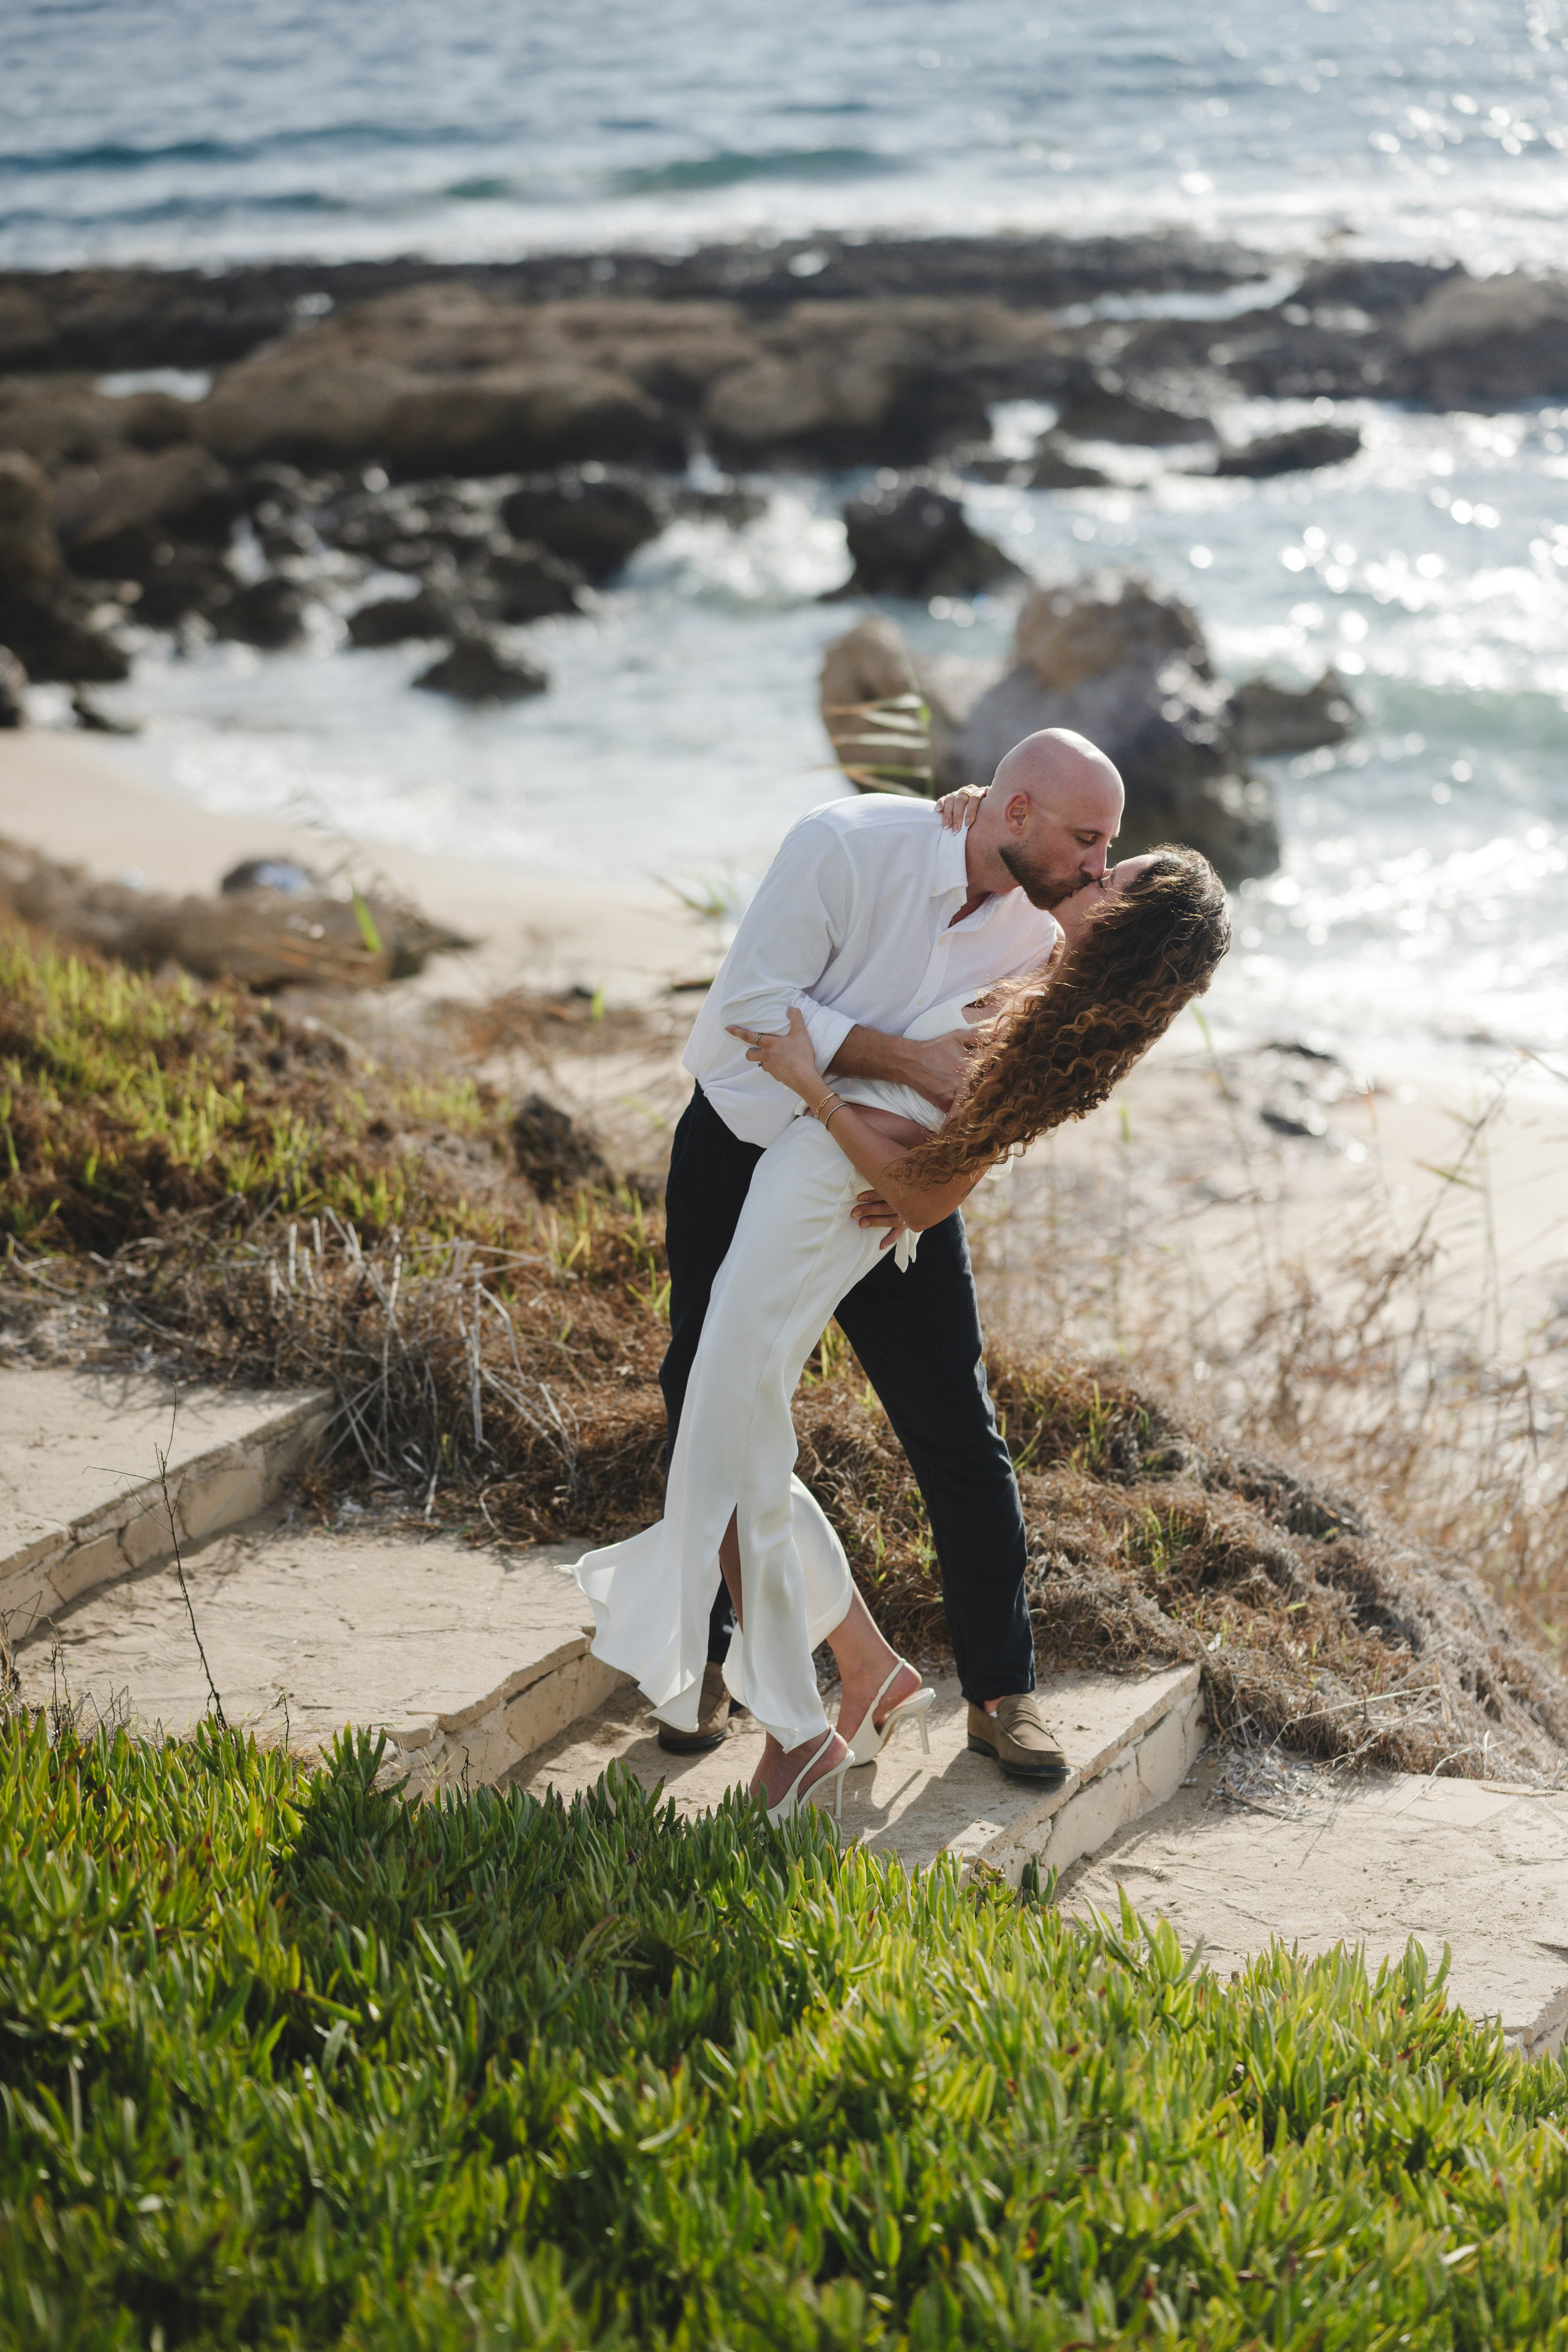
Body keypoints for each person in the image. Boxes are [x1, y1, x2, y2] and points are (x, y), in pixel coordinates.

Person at [574, 825, 1230, 1822]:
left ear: (1127, 924)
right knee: (725, 1408)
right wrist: (971, 820)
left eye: (1113, 872)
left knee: (911, 1427)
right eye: (1097, 850)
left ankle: (905, 1706)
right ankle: (843, 1670)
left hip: (837, 1195)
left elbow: (920, 1190)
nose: (1094, 867)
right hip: (780, 1163)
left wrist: (813, 1084)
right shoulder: (1028, 929)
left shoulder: (1050, 1022)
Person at [650, 729, 1125, 1787]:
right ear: (1010, 815)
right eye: (1085, 840)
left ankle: (1002, 1694)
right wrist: (899, 1055)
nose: (1095, 865)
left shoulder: (1049, 934)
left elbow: (1003, 1090)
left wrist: (922, 1170)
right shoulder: (847, 846)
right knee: (706, 1391)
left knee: (954, 1423)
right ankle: (727, 1656)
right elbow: (748, 1007)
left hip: (887, 1186)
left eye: (1107, 849)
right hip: (744, 1139)